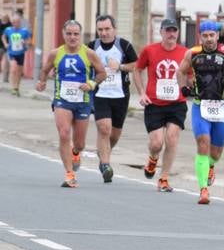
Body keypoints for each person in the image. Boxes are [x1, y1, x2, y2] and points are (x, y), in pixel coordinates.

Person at [179, 21, 224, 205]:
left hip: (221, 106)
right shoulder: (192, 53)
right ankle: (203, 190)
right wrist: (184, 88)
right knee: (203, 143)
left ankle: (210, 166)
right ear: (200, 36)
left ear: (217, 35)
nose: (209, 38)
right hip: (200, 106)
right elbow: (180, 71)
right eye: (205, 35)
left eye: (212, 35)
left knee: (216, 152)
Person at [35, 20, 106, 188]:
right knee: (64, 133)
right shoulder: (55, 53)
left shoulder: (89, 53)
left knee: (79, 143)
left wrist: (91, 84)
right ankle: (69, 174)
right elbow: (45, 69)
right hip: (62, 99)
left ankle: (75, 153)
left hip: (83, 101)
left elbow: (102, 73)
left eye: (76, 34)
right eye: (69, 34)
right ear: (63, 34)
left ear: (80, 35)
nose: (72, 37)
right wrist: (42, 82)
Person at [133, 18, 189, 193]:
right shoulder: (150, 50)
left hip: (177, 103)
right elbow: (137, 69)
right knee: (157, 143)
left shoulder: (186, 53)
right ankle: (152, 158)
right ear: (162, 32)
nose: (171, 34)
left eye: (174, 30)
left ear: (178, 33)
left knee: (171, 139)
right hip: (154, 103)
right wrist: (141, 93)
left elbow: (192, 74)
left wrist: (190, 88)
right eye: (168, 30)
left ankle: (163, 178)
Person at [88, 15, 139, 184]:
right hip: (100, 94)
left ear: (114, 29)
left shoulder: (124, 46)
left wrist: (121, 67)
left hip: (120, 96)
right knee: (104, 128)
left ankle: (103, 152)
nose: (103, 33)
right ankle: (105, 165)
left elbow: (136, 66)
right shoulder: (91, 47)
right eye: (100, 30)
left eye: (107, 29)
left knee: (114, 135)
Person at [5, 11, 32, 96]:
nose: (14, 24)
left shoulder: (24, 31)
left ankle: (17, 87)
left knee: (19, 71)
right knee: (13, 69)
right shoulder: (8, 30)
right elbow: (3, 36)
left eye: (16, 22)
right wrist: (6, 43)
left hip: (21, 53)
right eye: (13, 22)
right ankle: (13, 88)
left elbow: (29, 41)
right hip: (11, 52)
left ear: (19, 22)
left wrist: (25, 42)